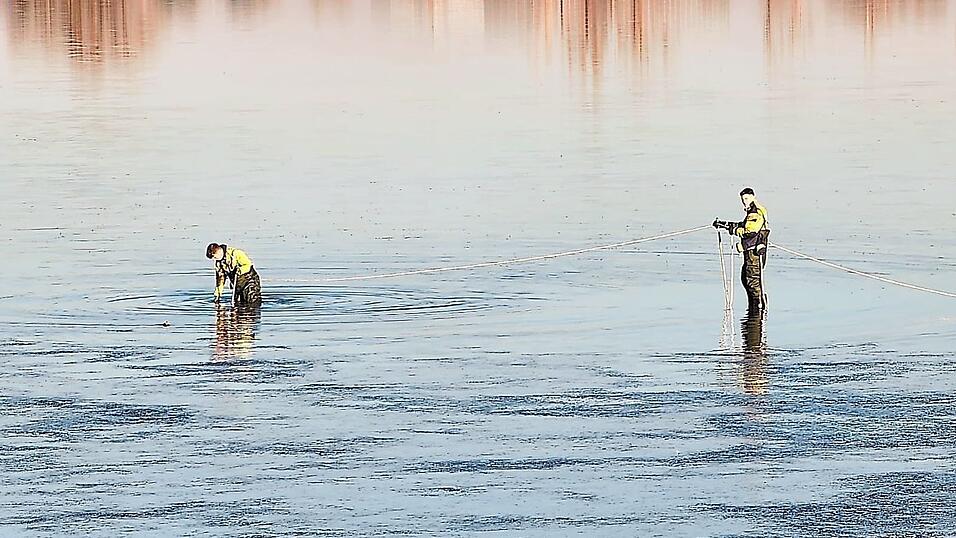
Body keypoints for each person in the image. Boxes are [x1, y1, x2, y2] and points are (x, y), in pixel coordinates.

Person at [713, 188, 770, 310]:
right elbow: (745, 225)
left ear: (753, 197)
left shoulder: (755, 212)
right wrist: (726, 224)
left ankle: (758, 308)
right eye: (743, 199)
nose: (744, 201)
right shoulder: (752, 212)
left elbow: (750, 231)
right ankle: (756, 308)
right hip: (750, 250)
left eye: (746, 198)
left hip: (754, 252)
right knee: (746, 278)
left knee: (752, 281)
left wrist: (734, 231)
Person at [205, 243, 262, 307]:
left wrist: (240, 270)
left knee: (252, 302)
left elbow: (248, 264)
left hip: (249, 280)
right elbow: (220, 279)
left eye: (215, 257)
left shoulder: (236, 254)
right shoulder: (218, 263)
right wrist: (218, 294)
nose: (214, 259)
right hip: (237, 284)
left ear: (219, 251)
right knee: (237, 302)